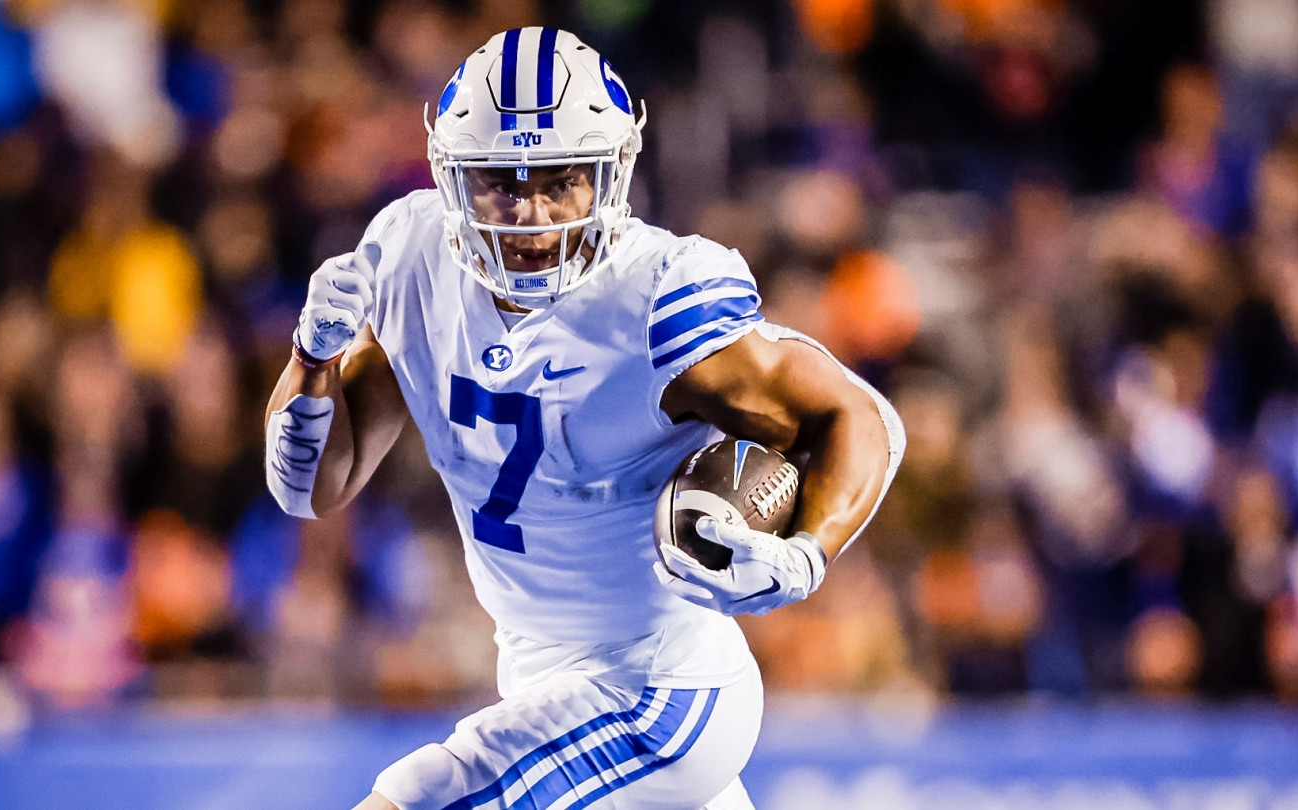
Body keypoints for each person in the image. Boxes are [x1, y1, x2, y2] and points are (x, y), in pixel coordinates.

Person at [265, 27, 905, 810]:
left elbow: (859, 415)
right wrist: (311, 361)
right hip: (539, 673)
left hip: (662, 686)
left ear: (611, 176)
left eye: (562, 180)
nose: (531, 214)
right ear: (451, 180)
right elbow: (309, 488)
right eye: (501, 181)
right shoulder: (410, 261)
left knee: (420, 798)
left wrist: (808, 552)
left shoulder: (659, 297)